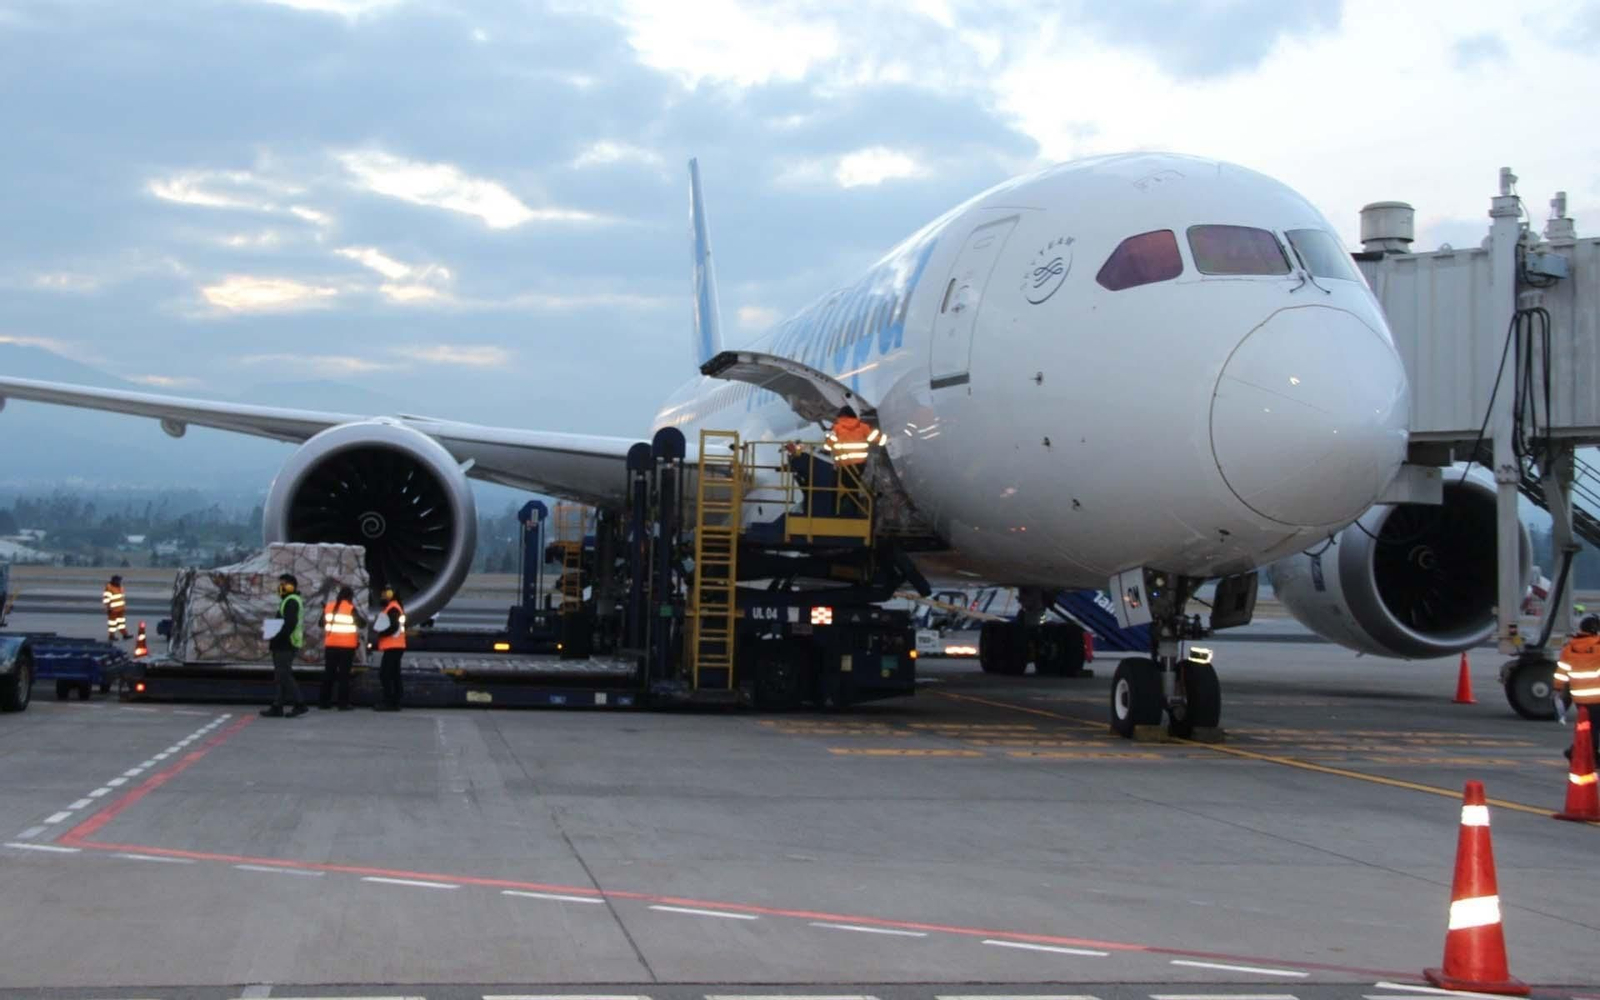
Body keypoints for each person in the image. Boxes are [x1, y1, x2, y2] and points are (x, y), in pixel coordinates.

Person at [1554, 613, 1600, 761]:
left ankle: (1583, 753)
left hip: (1579, 696)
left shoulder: (1569, 648)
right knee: (1593, 728)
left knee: (1589, 726)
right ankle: (1580, 753)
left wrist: (1557, 688)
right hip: (1597, 695)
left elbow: (1562, 671)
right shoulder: (1598, 646)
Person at [261, 573, 308, 718]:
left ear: (290, 586)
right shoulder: (288, 600)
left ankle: (300, 703)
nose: (280, 587)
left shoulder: (291, 601)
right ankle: (277, 706)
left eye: (283, 584)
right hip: (283, 643)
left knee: (284, 675)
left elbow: (289, 624)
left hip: (286, 644)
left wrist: (276, 635)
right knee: (280, 676)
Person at [319, 585, 366, 711]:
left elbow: (320, 623)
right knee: (344, 676)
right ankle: (343, 704)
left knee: (329, 674)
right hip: (346, 647)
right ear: (350, 596)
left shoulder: (329, 607)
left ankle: (324, 702)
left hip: (331, 646)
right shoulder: (350, 608)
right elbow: (362, 623)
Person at [373, 585, 407, 712]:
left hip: (393, 646)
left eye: (384, 593)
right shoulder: (396, 607)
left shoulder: (393, 608)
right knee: (394, 674)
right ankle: (396, 701)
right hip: (397, 646)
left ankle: (389, 701)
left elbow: (393, 626)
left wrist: (381, 633)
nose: (382, 596)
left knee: (385, 674)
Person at [102, 574, 129, 641]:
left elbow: (121, 598)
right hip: (113, 610)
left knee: (121, 623)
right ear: (114, 580)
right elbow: (106, 599)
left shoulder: (120, 587)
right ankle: (111, 636)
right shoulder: (109, 588)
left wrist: (123, 607)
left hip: (120, 609)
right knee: (112, 624)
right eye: (118, 580)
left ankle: (125, 635)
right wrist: (109, 608)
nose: (120, 581)